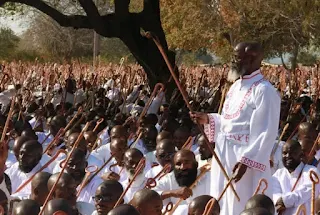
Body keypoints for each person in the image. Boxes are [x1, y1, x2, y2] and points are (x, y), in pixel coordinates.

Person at [190, 42, 280, 214]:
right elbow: (229, 124)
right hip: (224, 155)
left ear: (252, 59)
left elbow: (266, 132)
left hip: (245, 161)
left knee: (242, 204)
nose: (232, 61)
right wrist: (208, 119)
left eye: (237, 57)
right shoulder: (235, 87)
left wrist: (246, 161)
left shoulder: (264, 90)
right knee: (221, 202)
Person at [272, 140, 318, 215]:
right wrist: (279, 201)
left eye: (293, 153)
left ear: (301, 155)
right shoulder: (278, 174)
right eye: (284, 153)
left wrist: (285, 201)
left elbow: (306, 192)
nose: (288, 156)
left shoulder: (311, 172)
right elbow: (274, 193)